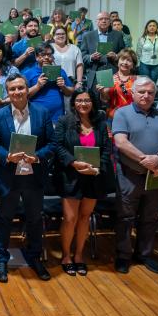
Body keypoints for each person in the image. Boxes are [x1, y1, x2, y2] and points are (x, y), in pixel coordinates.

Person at [0, 72, 54, 282]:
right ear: (7, 93)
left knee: (34, 219)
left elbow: (52, 144)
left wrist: (37, 157)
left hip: (34, 177)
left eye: (20, 88)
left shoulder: (42, 113)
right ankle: (2, 260)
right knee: (5, 219)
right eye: (12, 89)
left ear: (27, 89)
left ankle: (34, 257)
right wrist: (7, 156)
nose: (17, 92)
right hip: (8, 176)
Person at [112, 77, 158, 275]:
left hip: (156, 174)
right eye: (141, 91)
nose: (146, 95)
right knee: (125, 216)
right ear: (132, 93)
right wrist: (145, 160)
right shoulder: (122, 113)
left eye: (150, 92)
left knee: (150, 217)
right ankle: (123, 256)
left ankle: (145, 254)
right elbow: (121, 142)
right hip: (129, 174)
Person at [54, 88, 113, 276]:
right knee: (70, 218)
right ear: (73, 103)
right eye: (79, 100)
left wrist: (97, 168)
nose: (83, 104)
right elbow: (58, 146)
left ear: (93, 103)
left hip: (93, 177)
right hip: (71, 176)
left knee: (84, 217)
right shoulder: (65, 122)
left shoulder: (101, 124)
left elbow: (106, 149)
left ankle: (78, 255)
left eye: (87, 100)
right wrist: (73, 162)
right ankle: (65, 256)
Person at [24, 41, 74, 122]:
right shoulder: (28, 73)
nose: (46, 57)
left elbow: (70, 92)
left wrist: (63, 86)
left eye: (49, 55)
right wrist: (37, 86)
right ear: (36, 57)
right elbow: (23, 95)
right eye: (43, 55)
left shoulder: (60, 71)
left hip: (58, 118)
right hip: (37, 118)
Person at [80, 11, 126, 89]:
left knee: (110, 97)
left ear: (110, 21)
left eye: (106, 19)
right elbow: (83, 56)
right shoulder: (88, 36)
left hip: (112, 70)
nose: (104, 21)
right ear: (97, 21)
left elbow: (123, 53)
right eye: (101, 19)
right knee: (96, 97)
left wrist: (116, 56)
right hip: (95, 71)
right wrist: (91, 57)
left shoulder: (118, 35)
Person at [96, 48, 139, 121]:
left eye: (129, 60)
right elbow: (105, 101)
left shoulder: (137, 80)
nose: (125, 62)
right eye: (123, 59)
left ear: (133, 65)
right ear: (118, 61)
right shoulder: (108, 77)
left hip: (132, 117)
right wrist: (102, 92)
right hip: (113, 117)